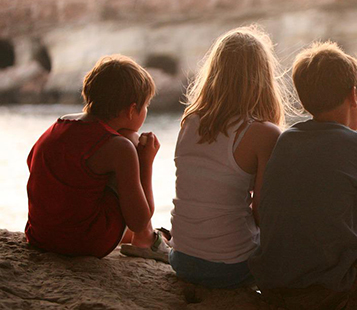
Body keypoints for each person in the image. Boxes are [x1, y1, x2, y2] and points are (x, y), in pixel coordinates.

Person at [248, 41, 357, 309]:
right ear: (354, 95)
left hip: (272, 287)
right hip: (328, 295)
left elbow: (319, 198)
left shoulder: (288, 140)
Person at [169, 25, 294, 289]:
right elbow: (264, 215)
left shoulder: (190, 121)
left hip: (181, 258)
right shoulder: (263, 133)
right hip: (231, 267)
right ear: (262, 77)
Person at [25, 55, 170, 262]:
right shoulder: (120, 147)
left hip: (41, 236)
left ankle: (141, 237)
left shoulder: (59, 125)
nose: (146, 111)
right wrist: (146, 162)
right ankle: (148, 241)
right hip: (83, 243)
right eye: (146, 106)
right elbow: (139, 221)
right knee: (130, 141)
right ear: (131, 110)